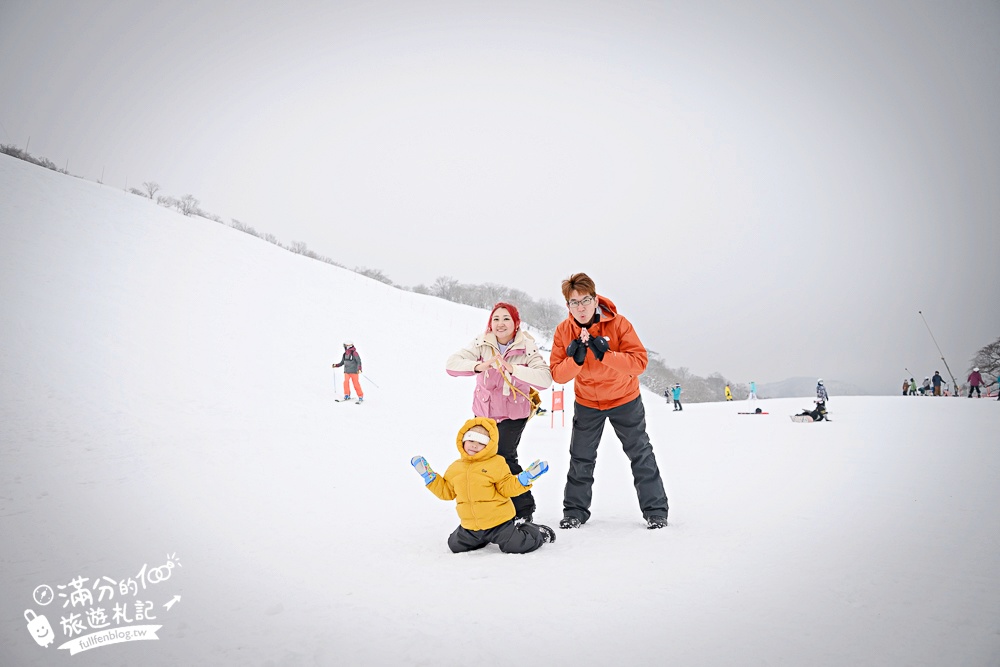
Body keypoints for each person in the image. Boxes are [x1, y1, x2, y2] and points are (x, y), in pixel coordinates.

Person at [549, 272, 670, 530]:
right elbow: (558, 375)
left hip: (624, 399)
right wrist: (577, 360)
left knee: (640, 454)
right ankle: (574, 512)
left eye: (585, 300)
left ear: (595, 299)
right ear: (567, 305)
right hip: (588, 403)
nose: (580, 307)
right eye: (574, 302)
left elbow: (639, 363)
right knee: (580, 458)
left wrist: (606, 354)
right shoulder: (563, 331)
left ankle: (656, 511)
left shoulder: (619, 324)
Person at [445, 302, 552, 523]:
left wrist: (513, 369)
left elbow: (544, 379)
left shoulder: (527, 346)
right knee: (480, 458)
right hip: (484, 414)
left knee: (504, 458)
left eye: (506, 319)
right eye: (496, 319)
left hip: (513, 415)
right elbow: (451, 364)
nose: (500, 323)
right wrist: (478, 366)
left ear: (515, 324)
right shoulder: (482, 343)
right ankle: (492, 508)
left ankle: (523, 511)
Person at [410, 417, 555, 553]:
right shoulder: (455, 468)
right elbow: (446, 492)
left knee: (517, 545)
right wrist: (430, 477)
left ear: (490, 445)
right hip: (470, 527)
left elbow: (506, 487)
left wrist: (525, 478)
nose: (474, 445)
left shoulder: (496, 463)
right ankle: (482, 538)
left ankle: (537, 532)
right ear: (462, 440)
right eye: (471, 440)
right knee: (454, 545)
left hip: (499, 523)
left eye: (481, 443)